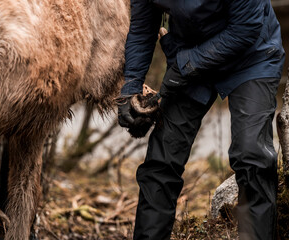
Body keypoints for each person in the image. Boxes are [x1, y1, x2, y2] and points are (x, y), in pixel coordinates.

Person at [118, 0, 285, 239]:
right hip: (190, 55)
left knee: (252, 157)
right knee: (161, 159)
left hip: (251, 57)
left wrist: (188, 65)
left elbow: (245, 28)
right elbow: (143, 27)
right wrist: (130, 88)